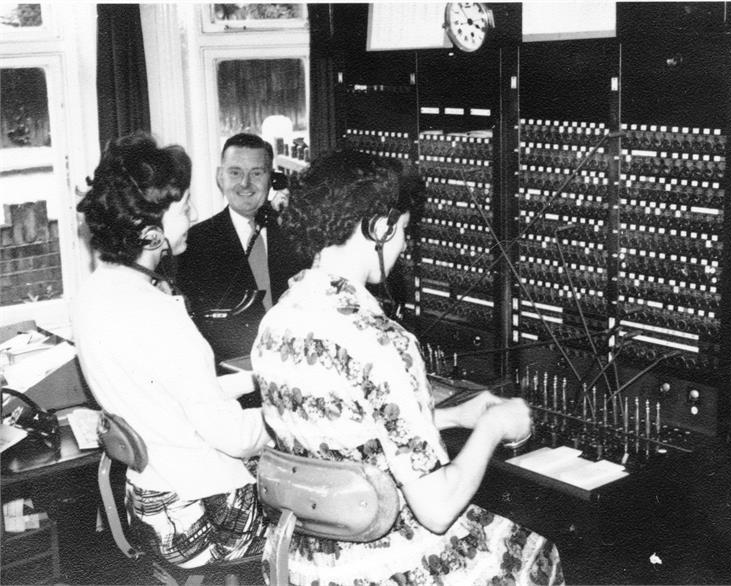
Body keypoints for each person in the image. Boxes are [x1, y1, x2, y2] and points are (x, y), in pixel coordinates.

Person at [250, 149, 565, 586]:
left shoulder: (275, 323)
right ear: (379, 228)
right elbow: (436, 512)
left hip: (302, 566)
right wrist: (494, 424)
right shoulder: (382, 341)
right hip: (382, 568)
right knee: (540, 552)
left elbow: (349, 435)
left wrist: (453, 416)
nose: (403, 245)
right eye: (402, 232)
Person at [72, 132, 269, 568]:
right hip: (206, 519)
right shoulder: (159, 314)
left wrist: (256, 382)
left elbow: (168, 393)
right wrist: (289, 412)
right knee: (338, 515)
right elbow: (235, 439)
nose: (194, 215)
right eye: (183, 208)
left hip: (148, 507)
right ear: (149, 232)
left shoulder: (92, 295)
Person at [175, 133, 302, 364]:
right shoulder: (193, 244)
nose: (245, 183)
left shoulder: (295, 234)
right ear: (219, 177)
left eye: (256, 173)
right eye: (235, 172)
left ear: (272, 179)